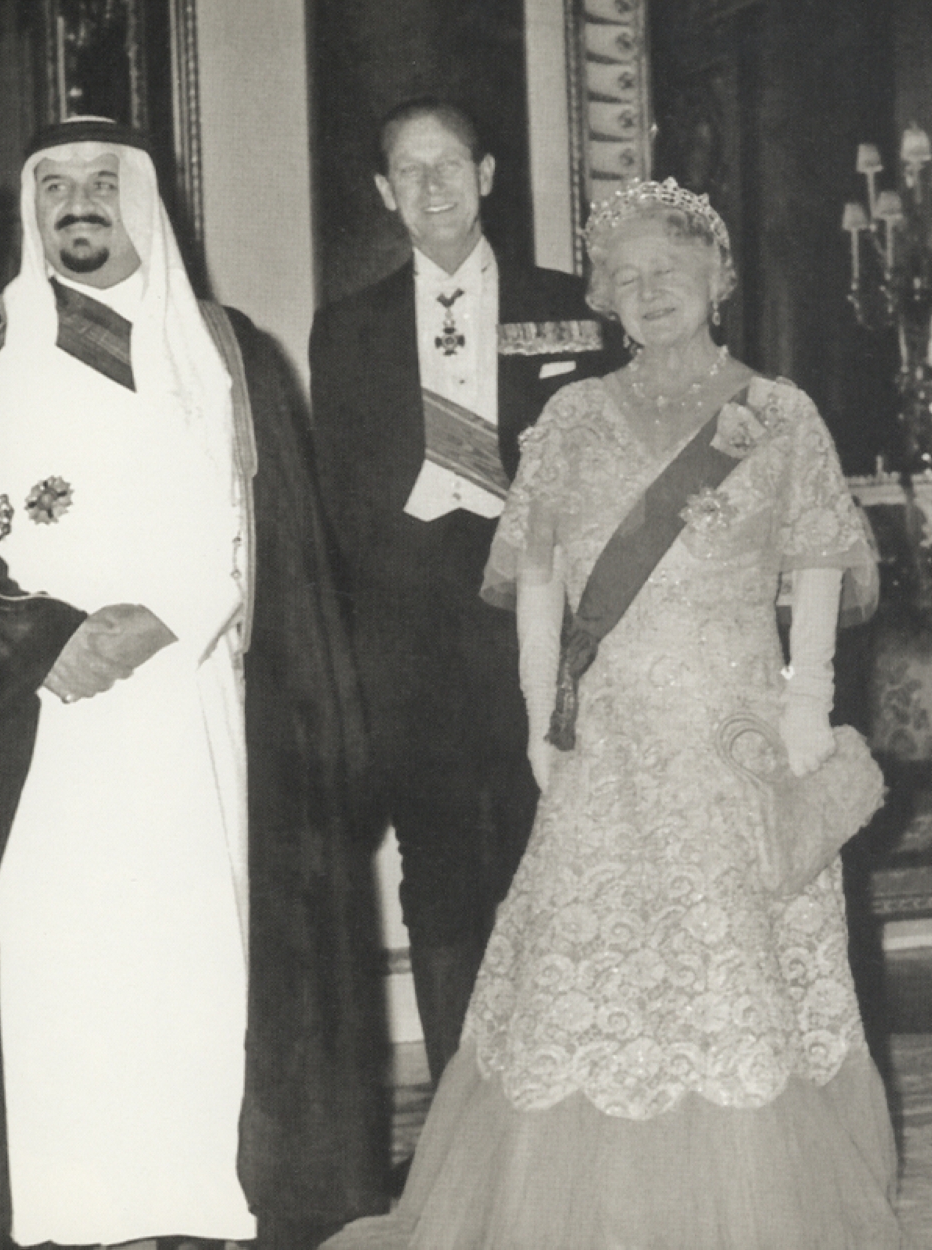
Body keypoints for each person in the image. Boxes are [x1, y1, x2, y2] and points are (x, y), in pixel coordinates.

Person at [326, 177, 901, 1249]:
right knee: (588, 979)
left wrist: (805, 709)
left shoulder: (776, 414)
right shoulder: (570, 419)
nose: (649, 294)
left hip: (734, 731)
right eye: (625, 280)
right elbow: (537, 577)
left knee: (730, 976)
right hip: (611, 736)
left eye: (669, 273)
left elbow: (820, 559)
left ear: (718, 279)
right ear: (603, 300)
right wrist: (544, 712)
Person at [0, 116, 365, 1249]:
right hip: (40, 719)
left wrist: (156, 618)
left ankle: (188, 1198)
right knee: (62, 949)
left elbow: (263, 528)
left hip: (186, 699)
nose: (78, 202)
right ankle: (68, 1207)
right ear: (30, 204)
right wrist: (40, 639)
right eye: (56, 183)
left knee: (187, 943)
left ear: (142, 199)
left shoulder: (224, 350)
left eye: (101, 183)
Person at [308, 99, 623, 1089]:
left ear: (487, 175)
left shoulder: (573, 308)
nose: (433, 185)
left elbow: (617, 478)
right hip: (408, 654)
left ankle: (566, 1095)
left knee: (557, 856)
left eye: (451, 163)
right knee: (438, 873)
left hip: (543, 636)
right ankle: (461, 1110)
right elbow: (339, 507)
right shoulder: (346, 331)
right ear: (382, 194)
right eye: (410, 169)